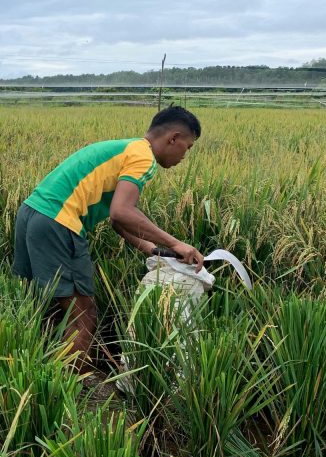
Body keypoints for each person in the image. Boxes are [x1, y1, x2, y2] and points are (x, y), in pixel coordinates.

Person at [13, 105, 204, 362]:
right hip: (58, 222)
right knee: (83, 313)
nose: (185, 156)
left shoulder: (126, 148)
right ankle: (76, 387)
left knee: (48, 305)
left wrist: (153, 249)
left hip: (31, 214)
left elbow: (119, 222)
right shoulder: (143, 157)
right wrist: (178, 243)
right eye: (187, 147)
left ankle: (39, 366)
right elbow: (122, 212)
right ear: (173, 138)